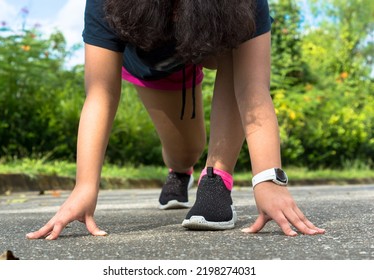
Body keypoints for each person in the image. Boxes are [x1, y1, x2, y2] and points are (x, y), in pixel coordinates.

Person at [26, 0, 325, 240]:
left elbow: (252, 89)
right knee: (185, 150)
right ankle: (181, 171)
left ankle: (216, 179)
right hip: (158, 66)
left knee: (239, 52)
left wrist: (268, 180)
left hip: (215, 40)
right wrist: (84, 188)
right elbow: (100, 94)